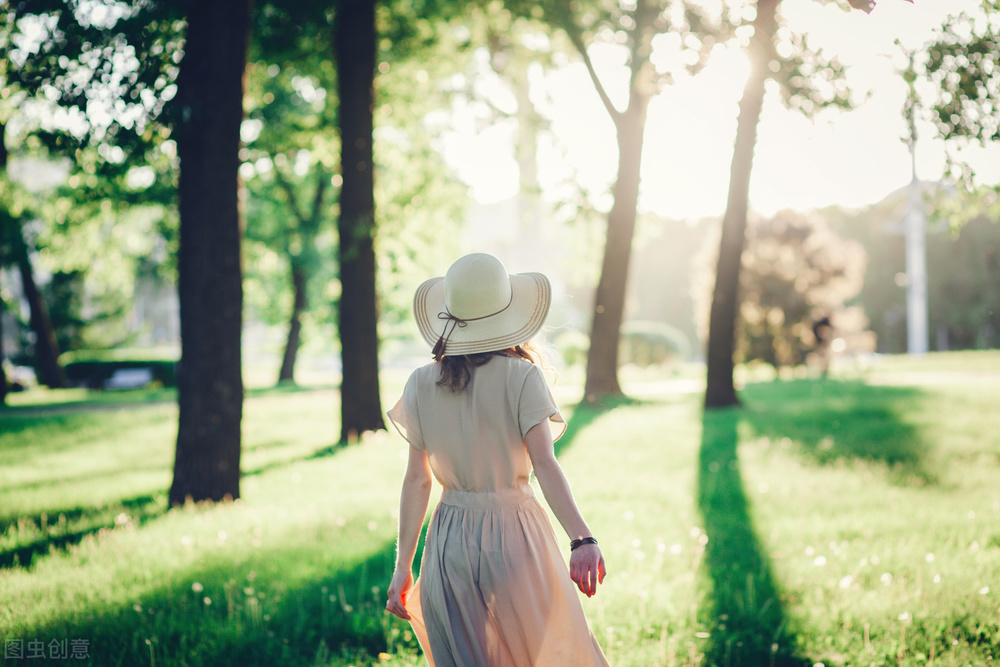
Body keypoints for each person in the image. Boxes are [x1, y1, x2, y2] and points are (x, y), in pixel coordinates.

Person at [385, 252, 609, 667]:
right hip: (515, 532)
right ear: (507, 316)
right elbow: (545, 464)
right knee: (543, 653)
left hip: (449, 536)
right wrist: (582, 538)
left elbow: (417, 481)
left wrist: (403, 567)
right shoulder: (522, 376)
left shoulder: (419, 382)